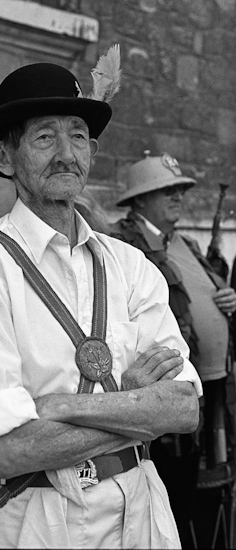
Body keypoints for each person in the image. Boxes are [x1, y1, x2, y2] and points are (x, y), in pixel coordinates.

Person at [0, 59, 202, 549]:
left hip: (142, 512)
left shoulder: (131, 263)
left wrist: (55, 407)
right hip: (38, 519)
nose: (66, 154)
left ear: (92, 151)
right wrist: (134, 404)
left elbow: (183, 409)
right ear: (4, 156)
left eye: (78, 136)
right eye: (44, 137)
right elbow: (9, 450)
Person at [111, 151, 236, 545]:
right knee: (168, 496)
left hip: (209, 386)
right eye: (166, 190)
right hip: (164, 390)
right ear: (140, 199)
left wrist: (225, 296)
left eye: (180, 189)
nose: (178, 197)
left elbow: (205, 290)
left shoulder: (184, 242)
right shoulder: (123, 242)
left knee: (200, 494)